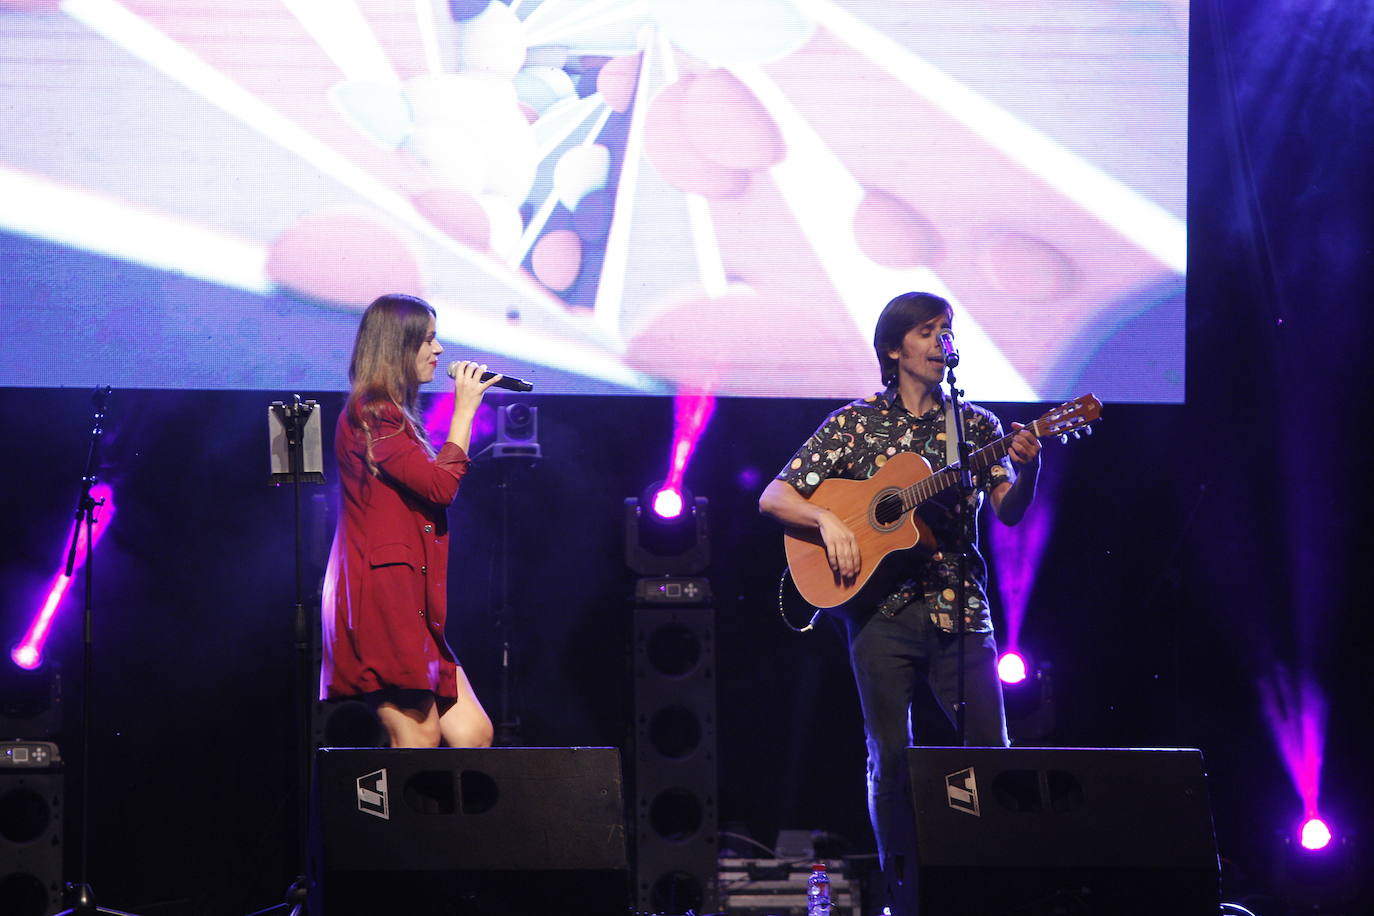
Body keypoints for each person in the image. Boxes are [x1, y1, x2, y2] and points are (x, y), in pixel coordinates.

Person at [758, 291, 1041, 915]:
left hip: (961, 609)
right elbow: (775, 497)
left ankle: (996, 891)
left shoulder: (977, 426)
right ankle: (904, 896)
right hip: (881, 615)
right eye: (928, 331)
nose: (943, 342)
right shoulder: (855, 424)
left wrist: (1031, 464)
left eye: (947, 331)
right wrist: (828, 523)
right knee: (890, 758)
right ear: (895, 349)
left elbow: (1009, 512)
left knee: (991, 757)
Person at [320, 293, 499, 749]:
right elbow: (441, 488)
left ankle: (446, 822)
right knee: (418, 736)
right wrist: (465, 410)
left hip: (410, 603)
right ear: (399, 346)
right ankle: (397, 822)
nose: (438, 351)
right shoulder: (372, 413)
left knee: (473, 733)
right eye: (428, 340)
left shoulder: (393, 416)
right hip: (383, 602)